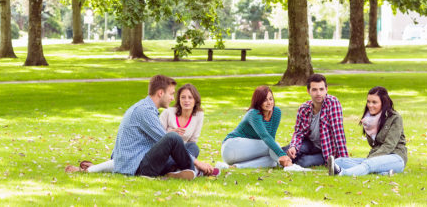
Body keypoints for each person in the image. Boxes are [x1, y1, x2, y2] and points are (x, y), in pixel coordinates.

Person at [72, 75, 216, 179]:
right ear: (161, 93)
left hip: (142, 158)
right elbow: (165, 139)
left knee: (192, 147)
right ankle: (193, 170)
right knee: (173, 137)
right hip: (138, 166)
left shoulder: (148, 108)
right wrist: (199, 163)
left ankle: (179, 171)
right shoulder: (144, 111)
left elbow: (160, 141)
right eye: (171, 94)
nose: (173, 98)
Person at [328, 86, 407, 176]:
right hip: (377, 157)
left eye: (374, 102)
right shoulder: (370, 118)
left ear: (383, 103)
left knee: (369, 164)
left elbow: (389, 146)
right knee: (339, 161)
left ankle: (342, 173)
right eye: (368, 102)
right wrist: (369, 129)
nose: (370, 105)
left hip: (395, 157)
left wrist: (370, 159)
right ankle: (383, 173)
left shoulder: (395, 118)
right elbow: (373, 145)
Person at [283, 74, 348, 167]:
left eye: (321, 89)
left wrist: (344, 161)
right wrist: (293, 146)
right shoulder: (303, 108)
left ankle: (299, 158)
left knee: (304, 162)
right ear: (308, 91)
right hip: (309, 144)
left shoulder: (332, 103)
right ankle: (290, 154)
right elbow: (298, 133)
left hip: (326, 149)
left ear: (326, 89)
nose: (318, 93)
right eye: (314, 89)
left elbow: (338, 133)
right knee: (286, 152)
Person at [220, 86, 292, 168]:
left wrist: (279, 157)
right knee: (274, 147)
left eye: (271, 99)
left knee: (273, 161)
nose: (269, 102)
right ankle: (290, 166)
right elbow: (265, 136)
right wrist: (282, 154)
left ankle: (236, 167)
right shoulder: (253, 114)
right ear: (258, 102)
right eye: (265, 100)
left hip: (247, 151)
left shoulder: (276, 112)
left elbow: (271, 138)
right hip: (231, 147)